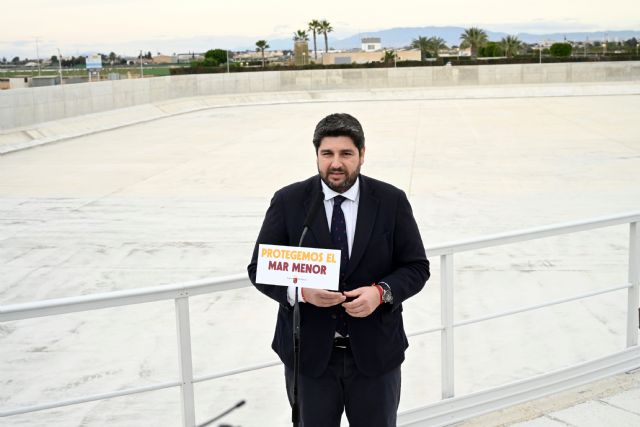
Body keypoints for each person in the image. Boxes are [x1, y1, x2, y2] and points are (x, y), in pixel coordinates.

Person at [247, 113, 430, 427]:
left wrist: (380, 293)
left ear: (362, 154)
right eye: (327, 153)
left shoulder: (391, 201)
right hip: (310, 358)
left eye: (346, 153)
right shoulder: (289, 201)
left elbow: (416, 267)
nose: (335, 163)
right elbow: (259, 269)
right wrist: (301, 293)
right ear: (316, 155)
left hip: (375, 356)